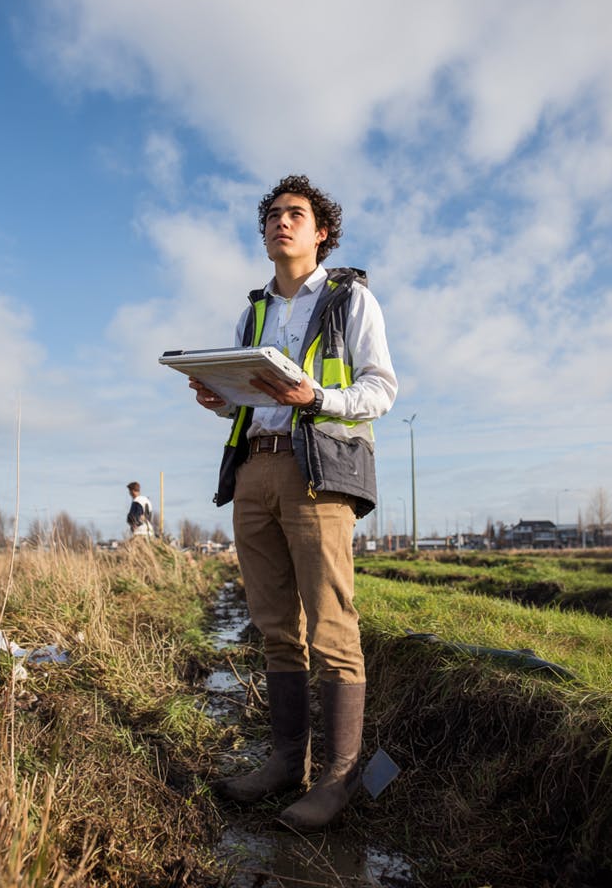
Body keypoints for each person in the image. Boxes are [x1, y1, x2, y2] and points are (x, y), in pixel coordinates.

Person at [190, 174, 397, 831]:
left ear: (322, 232)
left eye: (295, 214)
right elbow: (248, 397)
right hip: (254, 472)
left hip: (319, 472)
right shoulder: (253, 312)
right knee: (276, 627)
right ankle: (288, 763)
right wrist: (219, 397)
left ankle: (337, 779)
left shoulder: (350, 299)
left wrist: (318, 399)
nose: (281, 222)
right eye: (273, 215)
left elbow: (381, 388)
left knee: (331, 624)